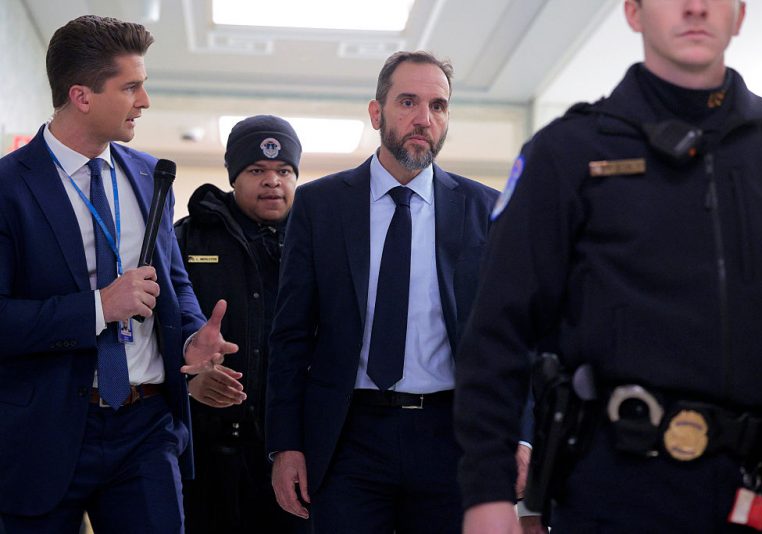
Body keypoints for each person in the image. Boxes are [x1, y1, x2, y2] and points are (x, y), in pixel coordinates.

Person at [455, 0, 762, 532]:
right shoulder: (567, 153)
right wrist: (487, 493)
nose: (695, 7)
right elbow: (498, 332)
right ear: (634, 12)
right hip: (617, 491)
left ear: (740, 14)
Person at [0, 15, 237, 533]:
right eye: (131, 87)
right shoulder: (7, 187)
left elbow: (171, 281)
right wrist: (98, 308)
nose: (145, 101)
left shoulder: (153, 175)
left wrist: (194, 338)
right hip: (42, 433)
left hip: (146, 427)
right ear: (81, 95)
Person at [266, 51, 499, 532]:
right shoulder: (320, 206)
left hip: (450, 437)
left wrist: (521, 436)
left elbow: (510, 338)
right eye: (408, 102)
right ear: (377, 113)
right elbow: (290, 335)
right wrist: (286, 445)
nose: (424, 118)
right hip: (349, 435)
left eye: (438, 106)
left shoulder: (484, 209)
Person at [175, 115, 307, 533]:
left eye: (284, 171)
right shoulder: (188, 238)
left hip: (291, 449)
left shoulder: (319, 242)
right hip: (204, 451)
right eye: (257, 171)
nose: (272, 181)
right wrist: (189, 379)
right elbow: (156, 329)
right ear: (234, 177)